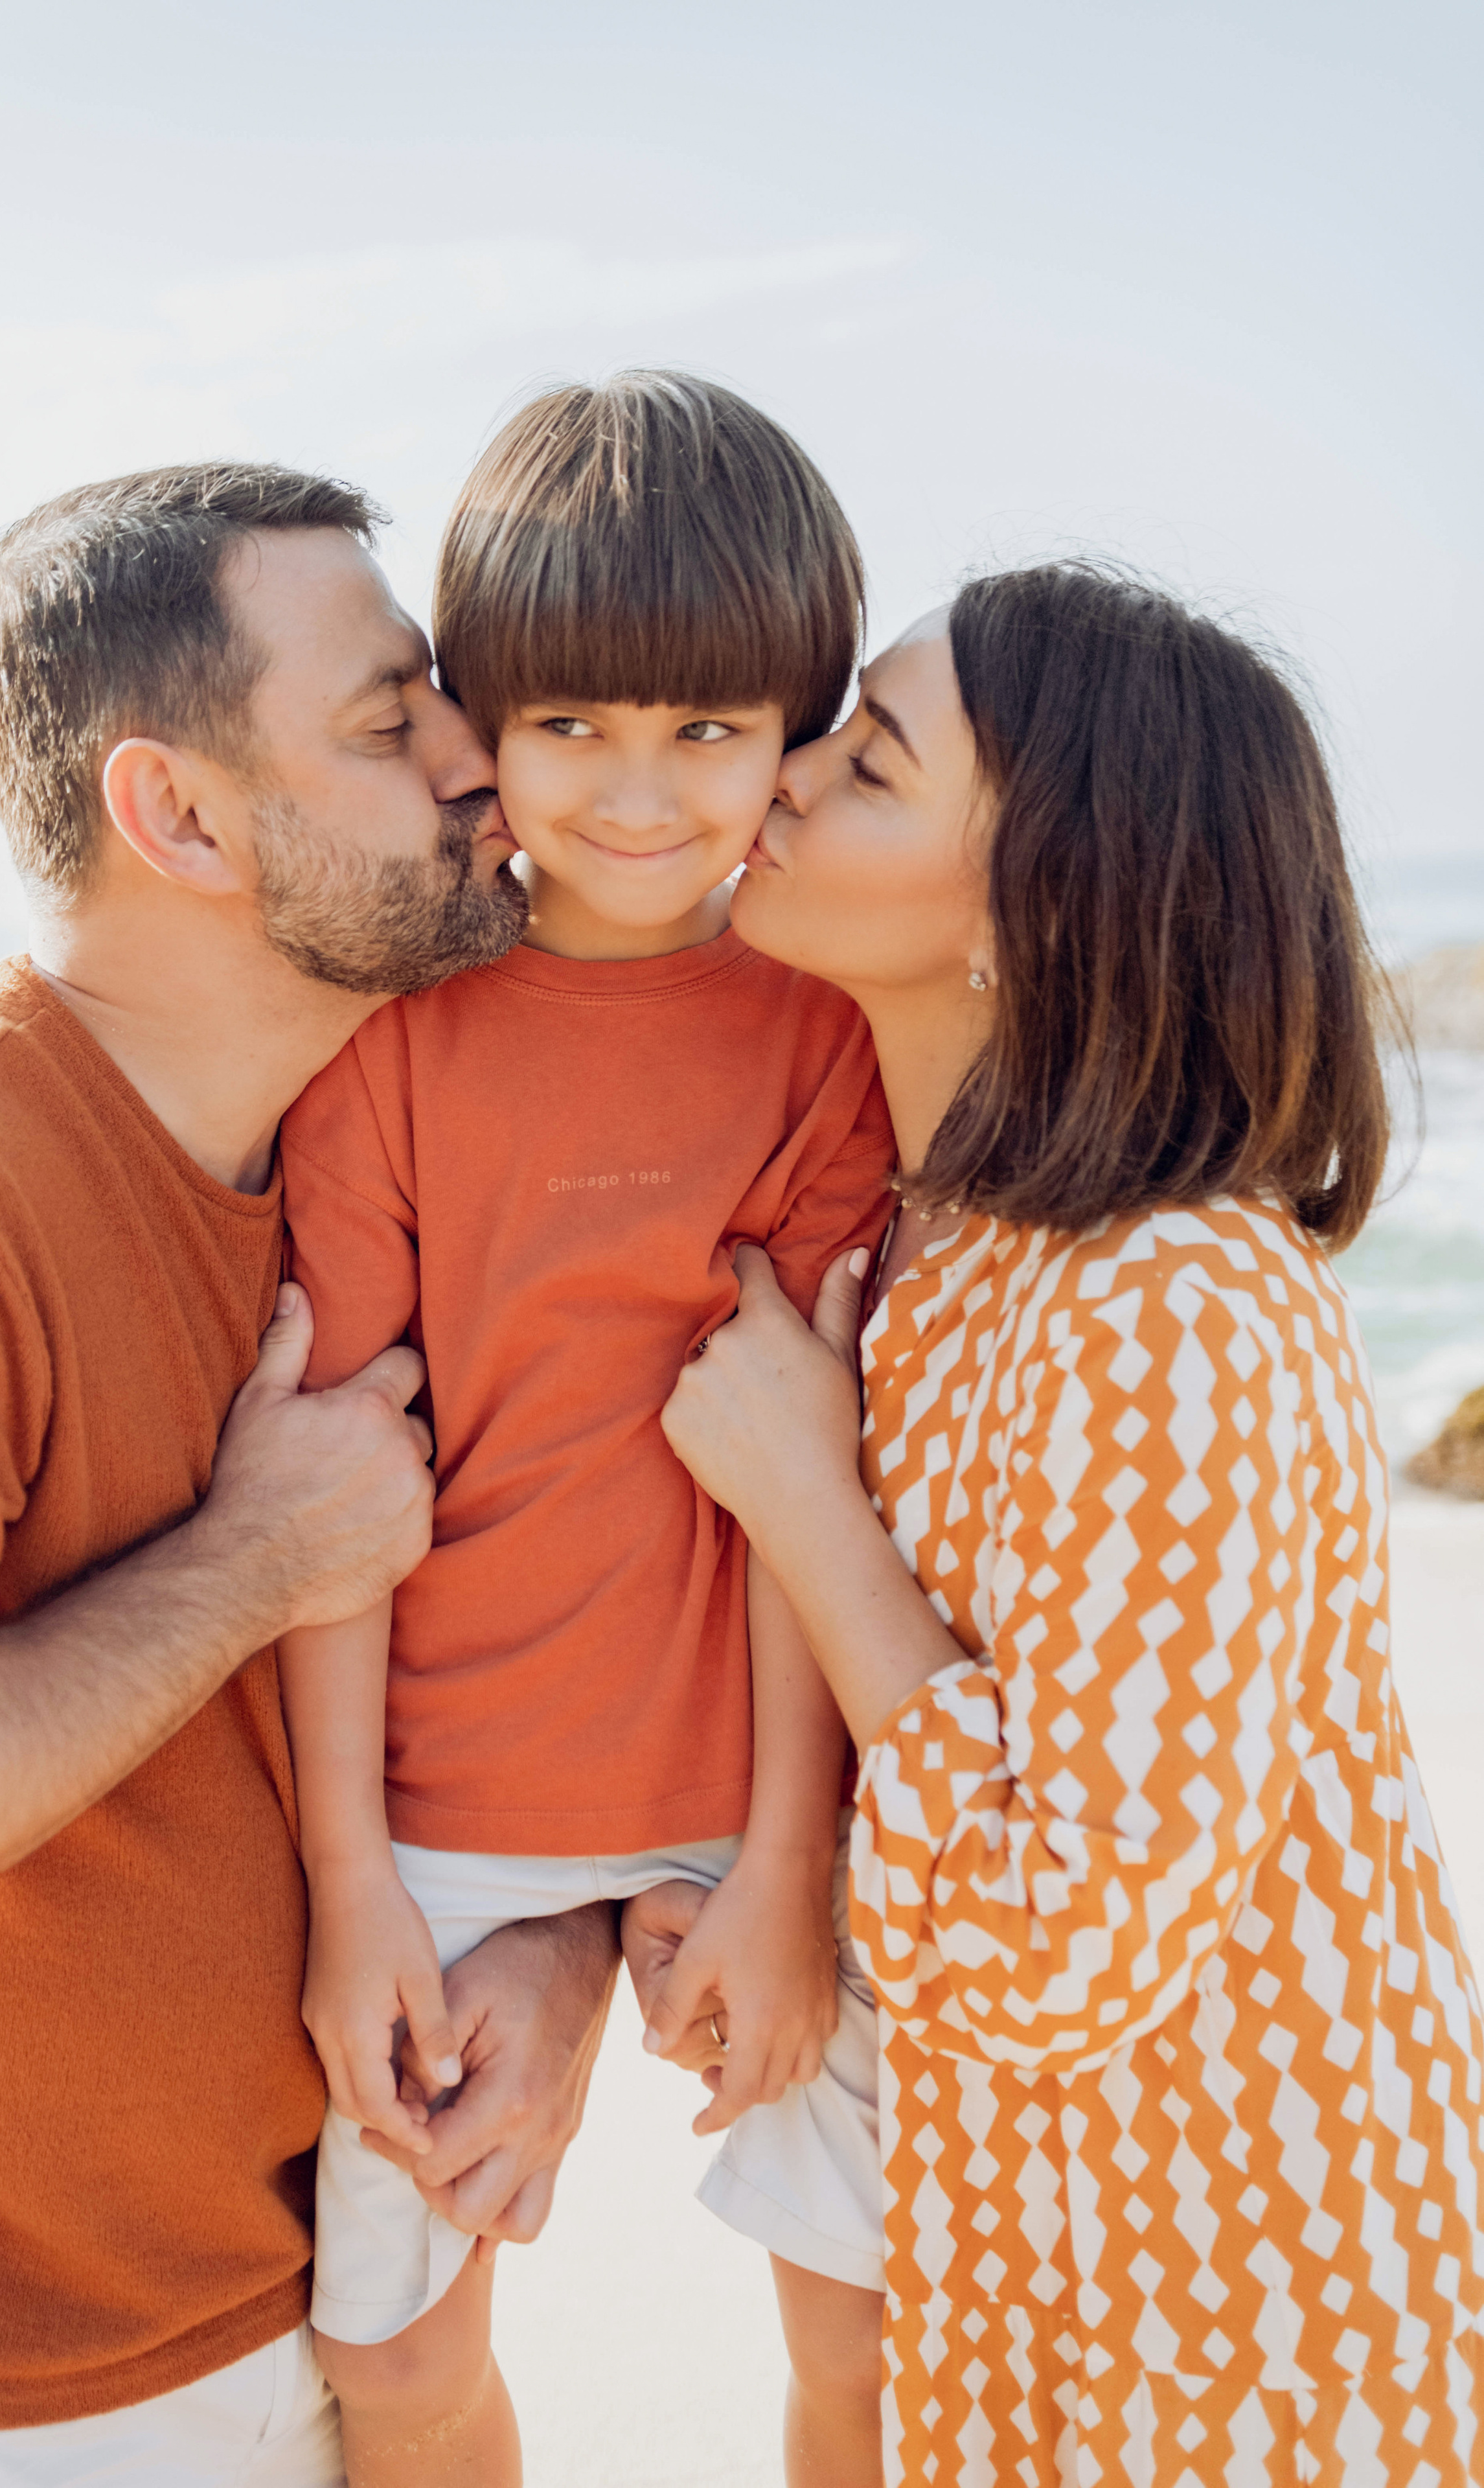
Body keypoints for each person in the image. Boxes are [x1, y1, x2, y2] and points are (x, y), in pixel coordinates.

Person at [0, 462, 621, 2485]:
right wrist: (247, 1559)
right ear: (174, 812)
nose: (481, 764)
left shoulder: (410, 1150)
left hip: (344, 2299)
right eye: (389, 722)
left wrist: (568, 1944)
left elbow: (562, 1633)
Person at [657, 564, 1484, 2485]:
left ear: (1038, 916)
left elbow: (1063, 1935)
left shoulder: (1173, 1294)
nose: (778, 776)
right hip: (1033, 2244)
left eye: (867, 764)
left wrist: (810, 1505)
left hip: (1239, 2289)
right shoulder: (931, 1245)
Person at [274, 373, 897, 2487]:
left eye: (711, 734)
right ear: (485, 722)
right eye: (577, 729)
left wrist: (794, 1860)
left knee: (875, 2339)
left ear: (798, 734)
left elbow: (819, 1485)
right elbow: (335, 1503)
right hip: (446, 1796)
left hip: (757, 1782)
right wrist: (357, 1884)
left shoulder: (830, 1040)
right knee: (398, 2357)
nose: (640, 796)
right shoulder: (387, 1054)